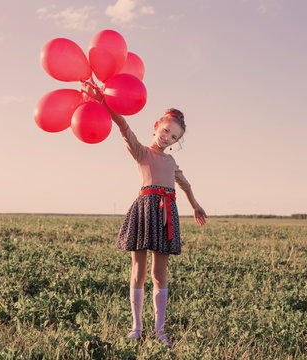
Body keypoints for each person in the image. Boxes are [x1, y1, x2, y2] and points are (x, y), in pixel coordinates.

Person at [82, 82, 207, 347]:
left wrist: (195, 205)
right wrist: (103, 100)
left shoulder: (171, 162)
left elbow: (185, 184)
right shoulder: (142, 152)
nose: (167, 138)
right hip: (144, 211)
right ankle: (136, 327)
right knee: (138, 271)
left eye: (173, 137)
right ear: (156, 126)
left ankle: (160, 330)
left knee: (159, 275)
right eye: (165, 131)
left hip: (165, 216)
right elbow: (123, 126)